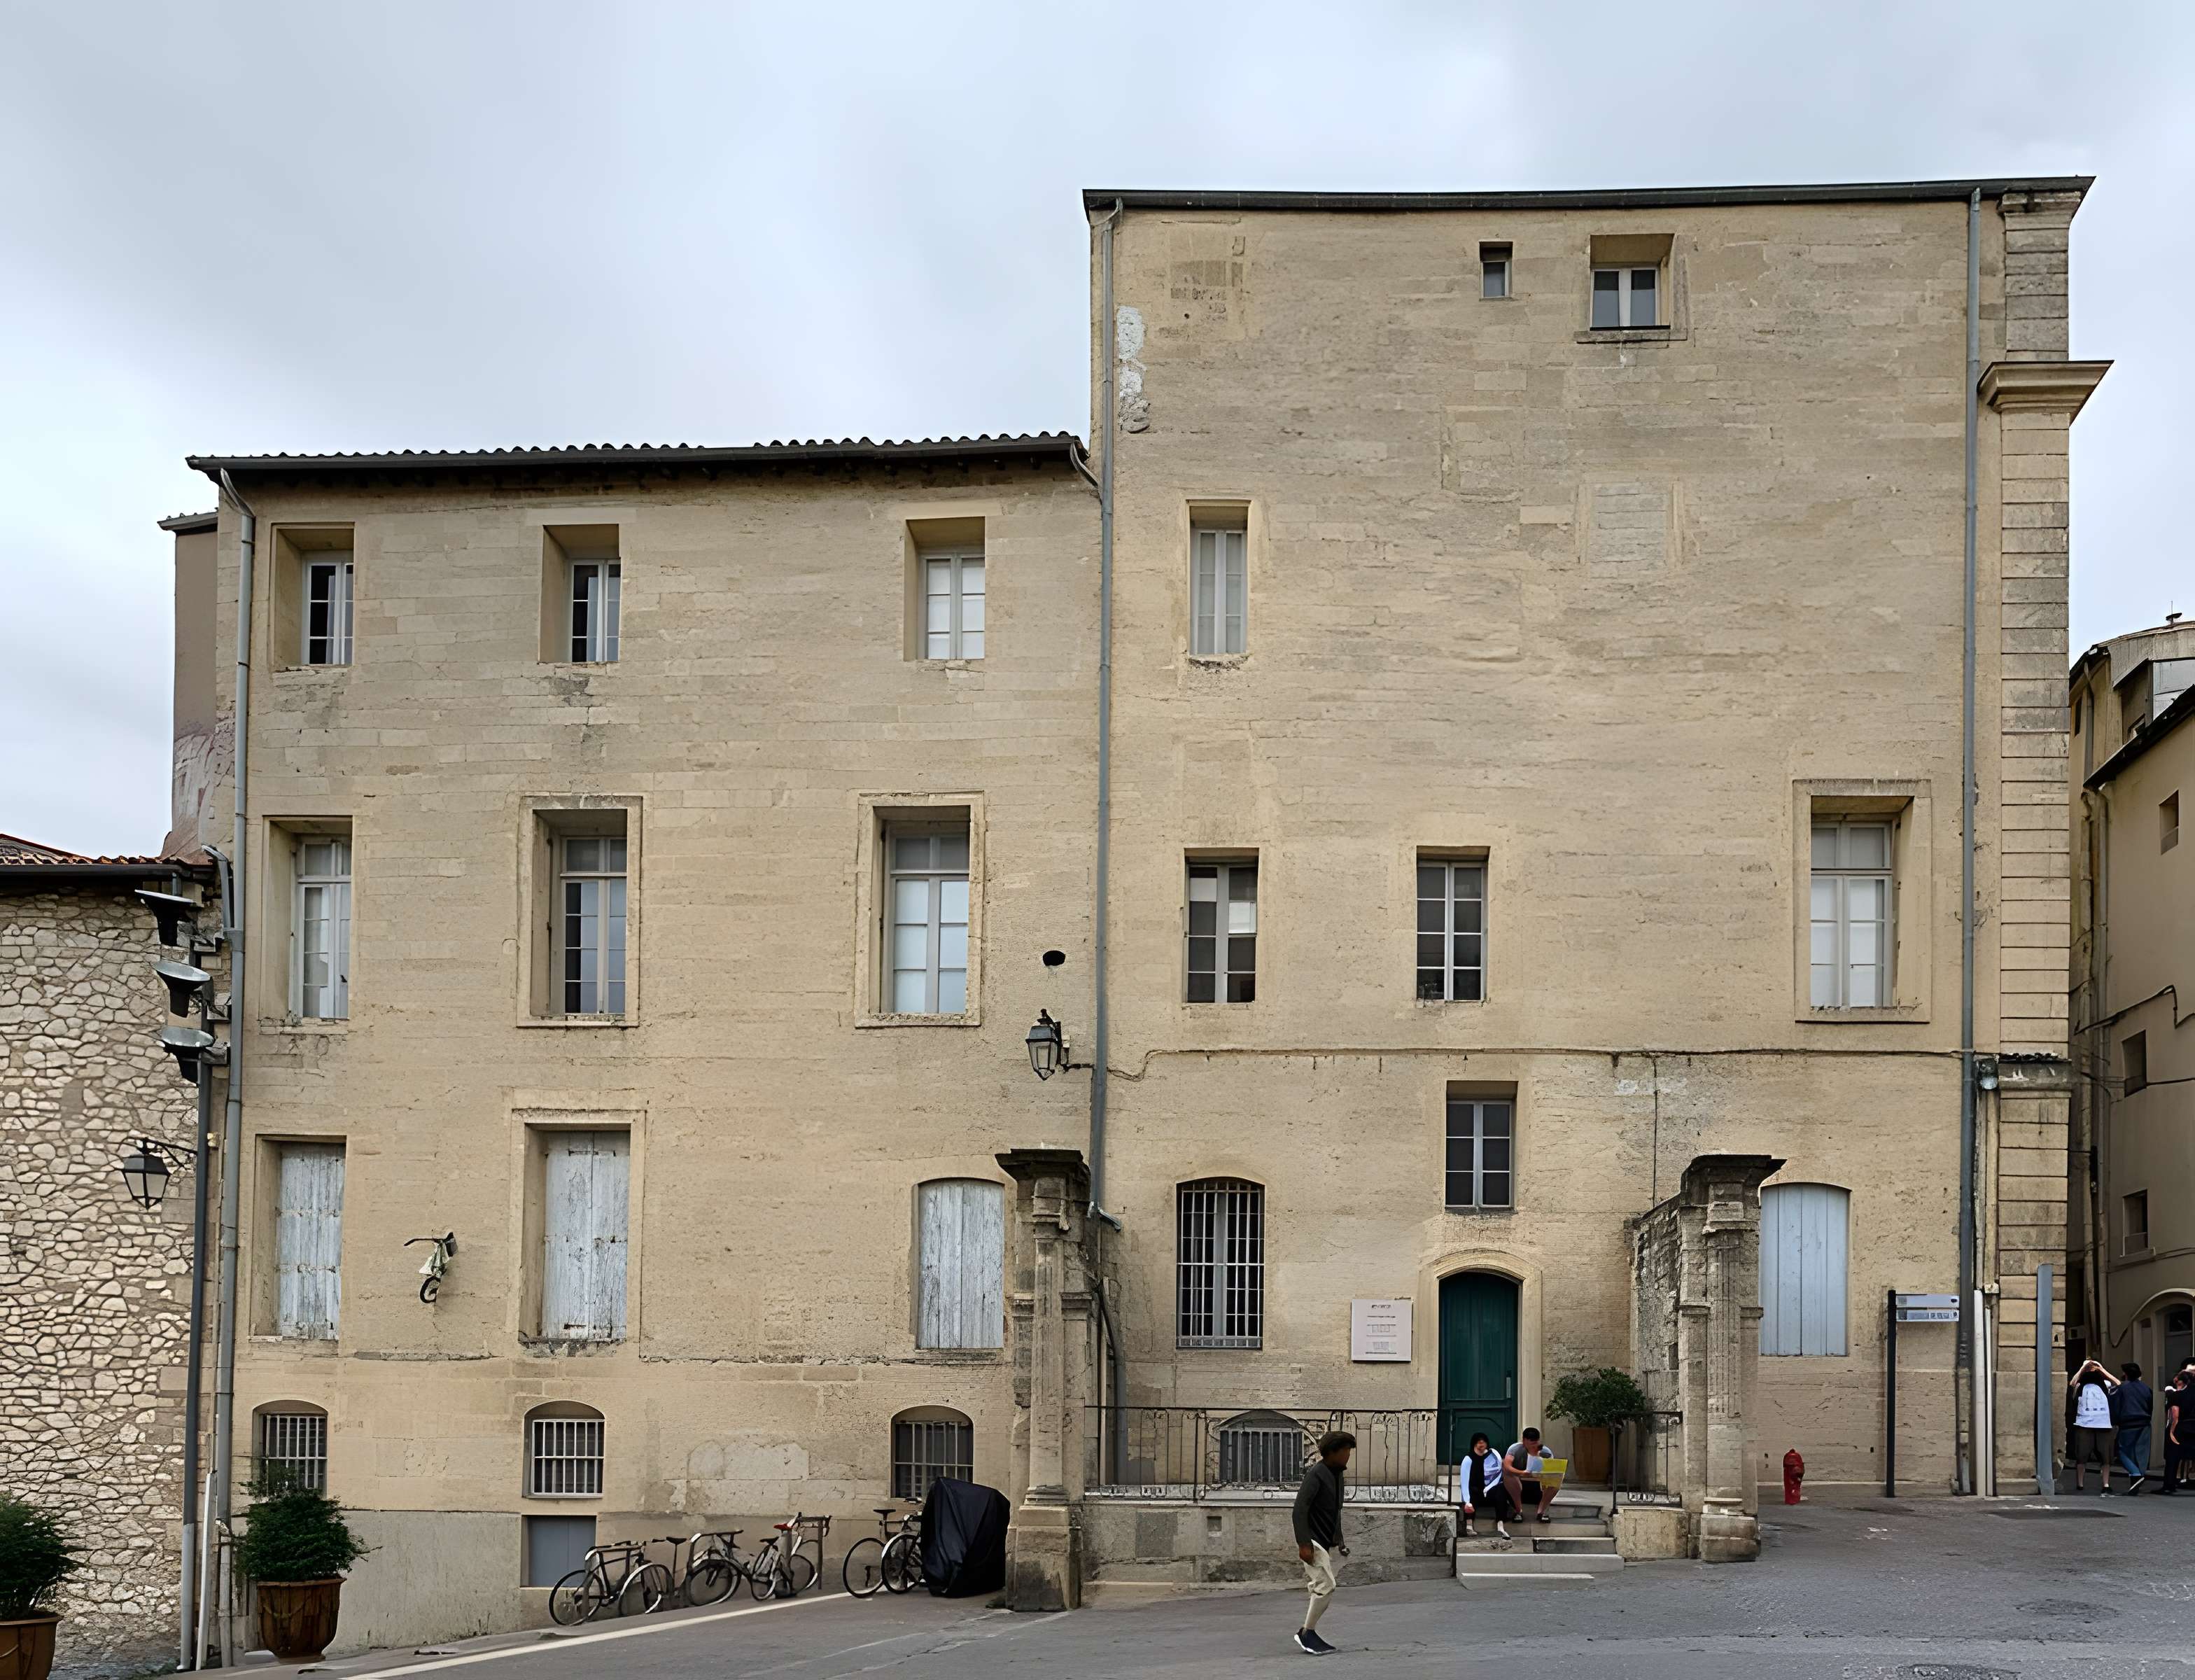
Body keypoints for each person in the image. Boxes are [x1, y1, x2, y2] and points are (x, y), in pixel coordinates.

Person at [1291, 1430, 1354, 1656]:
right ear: (1332, 1453)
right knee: (1327, 1585)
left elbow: (1336, 1510)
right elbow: (1299, 1510)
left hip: (1325, 1542)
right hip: (1313, 1541)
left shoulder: (1338, 1475)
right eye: (1345, 1451)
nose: (1348, 1455)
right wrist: (1303, 1543)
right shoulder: (1316, 1474)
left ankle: (1309, 1632)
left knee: (1321, 1586)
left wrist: (1340, 1540)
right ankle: (1307, 1633)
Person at [2068, 1359, 2117, 1492]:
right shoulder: (2080, 1385)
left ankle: (2106, 1484)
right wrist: (2083, 1368)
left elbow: (2117, 1384)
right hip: (2084, 1424)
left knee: (2106, 1456)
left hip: (2103, 1424)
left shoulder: (2105, 1384)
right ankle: (2080, 1483)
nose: (2091, 1370)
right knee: (2082, 1455)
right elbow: (2072, 1383)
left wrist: (2101, 1369)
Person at [1459, 1431, 1517, 1543]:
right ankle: (1469, 1525)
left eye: (1484, 1442)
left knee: (1501, 1490)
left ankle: (1500, 1525)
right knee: (1472, 1492)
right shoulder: (1468, 1459)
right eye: (1479, 1443)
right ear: (1474, 1444)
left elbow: (1498, 1474)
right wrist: (1467, 1502)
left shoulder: (1493, 1456)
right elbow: (1464, 1482)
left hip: (1490, 1490)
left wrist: (1489, 1488)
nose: (1481, 1445)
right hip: (1476, 1492)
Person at [2112, 1362, 2153, 1494]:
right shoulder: (2147, 1388)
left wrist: (2115, 1421)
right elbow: (2150, 1406)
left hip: (2128, 1423)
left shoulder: (2122, 1388)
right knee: (2140, 1453)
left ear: (2126, 1374)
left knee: (2121, 1451)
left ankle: (2136, 1474)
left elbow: (2117, 1406)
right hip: (2144, 1422)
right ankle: (2136, 1479)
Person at [1506, 1427, 1557, 1524]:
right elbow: (1507, 1465)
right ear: (1524, 1441)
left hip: (1538, 1484)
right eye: (1530, 1443)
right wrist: (1521, 1473)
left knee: (1555, 1478)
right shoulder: (1514, 1449)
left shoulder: (1546, 1452)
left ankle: (1542, 1511)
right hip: (1518, 1483)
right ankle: (1518, 1511)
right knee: (1507, 1473)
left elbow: (1552, 1471)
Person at [2161, 1365, 2194, 1496]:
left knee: (2173, 1457)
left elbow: (2175, 1415)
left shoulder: (2177, 1395)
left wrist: (2172, 1432)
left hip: (2182, 1428)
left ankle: (2169, 1485)